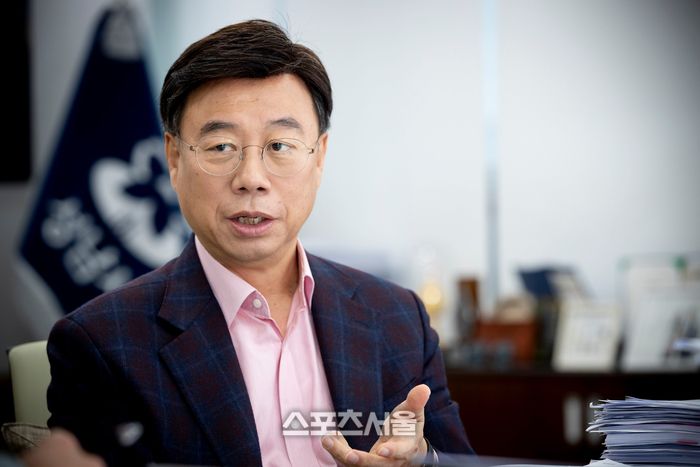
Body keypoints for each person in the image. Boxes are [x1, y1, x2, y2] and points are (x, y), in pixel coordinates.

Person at [46, 19, 473, 467]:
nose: (251, 178)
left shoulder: (398, 318)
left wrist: (422, 459)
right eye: (221, 147)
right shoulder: (101, 342)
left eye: (280, 146)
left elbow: (459, 460)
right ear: (173, 158)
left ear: (320, 157)